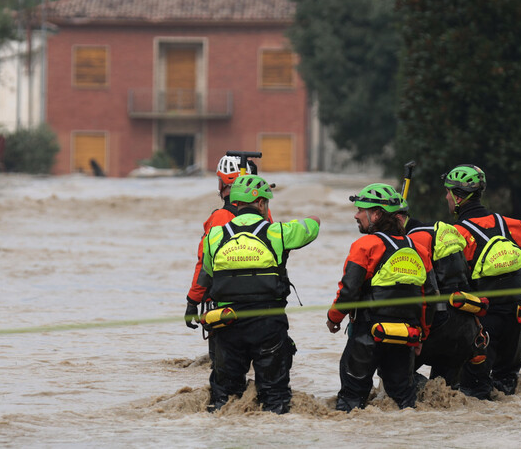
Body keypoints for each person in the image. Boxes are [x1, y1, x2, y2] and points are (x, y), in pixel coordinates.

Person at [197, 174, 320, 414]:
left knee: (224, 398)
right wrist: (314, 218)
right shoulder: (279, 232)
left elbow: (209, 272)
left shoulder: (214, 237)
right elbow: (311, 227)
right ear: (262, 204)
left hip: (226, 323)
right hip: (268, 324)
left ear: (236, 202)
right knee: (275, 398)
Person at [326, 184, 434, 410]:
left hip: (367, 335)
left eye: (360, 210)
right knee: (404, 401)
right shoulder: (419, 249)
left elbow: (349, 291)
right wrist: (421, 335)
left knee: (351, 402)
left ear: (376, 214)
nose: (356, 215)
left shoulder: (365, 245)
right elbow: (430, 297)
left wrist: (333, 318)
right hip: (406, 337)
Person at [442, 164, 521, 399]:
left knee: (475, 392)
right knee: (507, 386)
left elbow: (453, 284)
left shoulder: (456, 234)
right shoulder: (514, 226)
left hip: (482, 321)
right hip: (515, 316)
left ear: (457, 196)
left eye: (448, 192)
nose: (446, 197)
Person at [399, 197, 489, 390]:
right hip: (465, 328)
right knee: (445, 390)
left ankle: (422, 394)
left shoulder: (413, 240)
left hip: (437, 326)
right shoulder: (444, 232)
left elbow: (418, 291)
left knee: (394, 373)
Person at [184, 155, 272, 327]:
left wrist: (192, 301)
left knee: (222, 353)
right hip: (264, 302)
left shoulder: (218, 218)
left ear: (222, 183)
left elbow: (205, 265)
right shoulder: (265, 215)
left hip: (224, 305)